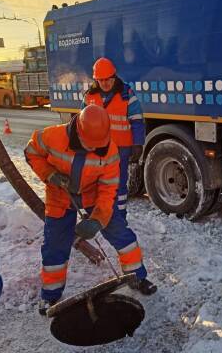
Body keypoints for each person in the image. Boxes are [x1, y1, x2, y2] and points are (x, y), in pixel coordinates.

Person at [24, 105, 156, 315]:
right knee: (55, 246)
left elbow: (108, 189)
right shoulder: (51, 136)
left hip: (94, 197)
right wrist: (49, 173)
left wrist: (97, 220)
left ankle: (137, 277)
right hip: (60, 197)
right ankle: (51, 296)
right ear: (79, 131)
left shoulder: (110, 150)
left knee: (122, 234)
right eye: (91, 144)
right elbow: (31, 153)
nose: (95, 148)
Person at [82, 57, 145, 220]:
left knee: (118, 184)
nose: (104, 83)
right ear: (96, 80)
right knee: (97, 183)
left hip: (120, 149)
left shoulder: (126, 94)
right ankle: (101, 215)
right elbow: (81, 123)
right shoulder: (90, 97)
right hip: (97, 150)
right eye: (100, 80)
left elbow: (137, 120)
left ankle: (119, 217)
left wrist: (138, 144)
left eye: (107, 80)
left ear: (114, 76)